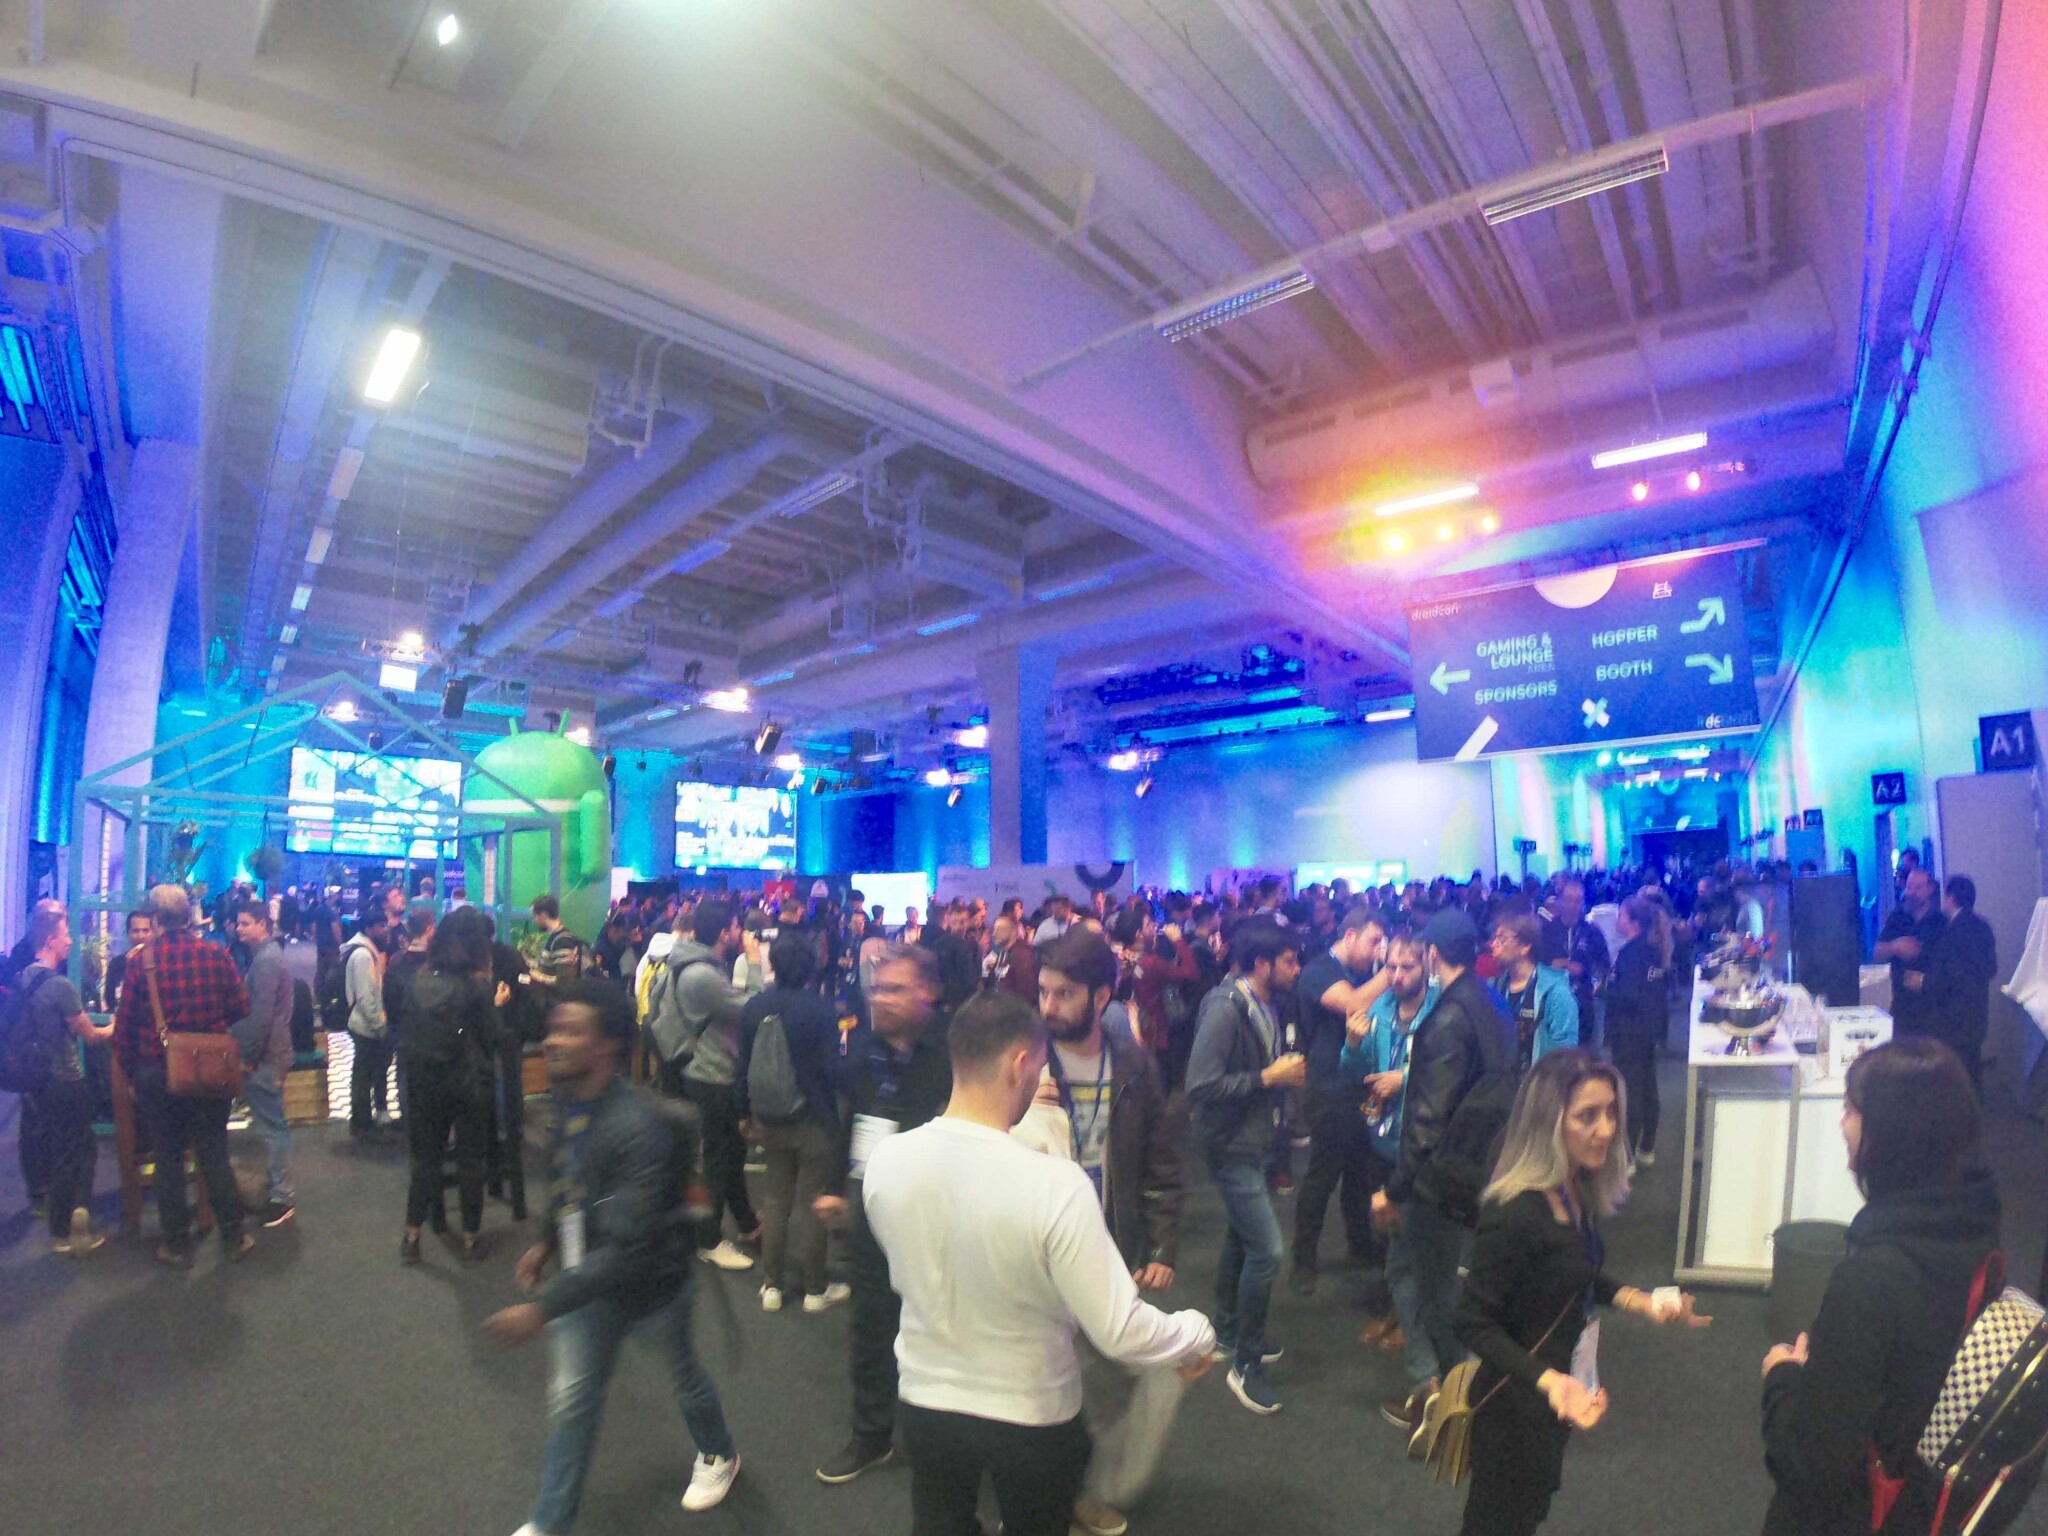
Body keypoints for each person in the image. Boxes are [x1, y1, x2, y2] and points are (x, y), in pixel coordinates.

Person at [862, 990, 1215, 1536]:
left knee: (939, 1524)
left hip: (925, 1402)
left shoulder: (886, 1161)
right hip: (1030, 1412)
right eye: (1040, 1067)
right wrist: (1196, 1333)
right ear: (1021, 1063)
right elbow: (1119, 1331)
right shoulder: (1057, 1185)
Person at [487, 979, 741, 1530]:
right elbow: (571, 1180)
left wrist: (541, 1308)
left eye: (570, 1031)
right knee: (572, 1403)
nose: (552, 1040)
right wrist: (547, 1241)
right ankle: (549, 1523)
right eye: (554, 1029)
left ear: (605, 1046)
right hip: (588, 1285)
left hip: (653, 1287)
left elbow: (627, 1250)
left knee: (684, 1377)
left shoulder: (640, 1129)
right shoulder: (568, 1098)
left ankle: (719, 1451)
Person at [1454, 1049, 1712, 1536]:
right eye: (1587, 1116)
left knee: (1528, 1509)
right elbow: (1471, 1321)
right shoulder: (1514, 1213)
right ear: (1548, 1124)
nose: (1607, 1129)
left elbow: (1573, 1272)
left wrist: (1641, 1300)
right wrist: (1549, 1381)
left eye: (1611, 1112)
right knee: (1497, 1519)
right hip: (1515, 1400)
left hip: (1555, 1392)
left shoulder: (1574, 1188)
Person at [1760, 1039, 2008, 1535]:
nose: (1842, 1124)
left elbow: (1806, 1464)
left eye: (1852, 1110)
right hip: (1921, 1491)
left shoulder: (1873, 1281)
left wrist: (1782, 1377)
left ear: (1892, 1133)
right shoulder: (1976, 1231)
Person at [1025, 928, 1187, 1536]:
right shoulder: (1021, 1061)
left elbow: (1161, 1164)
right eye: (1044, 991)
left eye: (1064, 994)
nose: (1049, 1005)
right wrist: (1024, 1113)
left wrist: (1162, 1245)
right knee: (1037, 1380)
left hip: (1108, 1247)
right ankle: (1044, 1496)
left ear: (1101, 997)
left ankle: (1082, 1490)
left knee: (1107, 1379)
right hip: (1034, 1248)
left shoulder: (1134, 1066)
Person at [814, 944, 953, 1485]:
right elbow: (851, 1120)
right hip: (872, 1212)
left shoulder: (954, 1054)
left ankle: (943, 1442)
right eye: (876, 988)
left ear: (928, 993)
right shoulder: (865, 1051)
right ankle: (871, 1436)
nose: (879, 999)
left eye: (894, 989)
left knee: (941, 1330)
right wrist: (835, 1187)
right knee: (871, 1328)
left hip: (937, 1219)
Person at [1373, 907, 1514, 1435]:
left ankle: (1456, 1402)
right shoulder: (1493, 1003)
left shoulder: (1447, 1018)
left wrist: (1394, 1189)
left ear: (1433, 954)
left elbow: (1428, 1122)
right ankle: (1436, 1389)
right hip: (1481, 1166)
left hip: (1440, 1179)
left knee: (1430, 1288)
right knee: (1425, 1276)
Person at [1186, 918, 1306, 1414]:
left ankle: (1228, 1332)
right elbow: (1200, 1085)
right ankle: (1245, 1365)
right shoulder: (1225, 1008)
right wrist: (1267, 1078)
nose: (1297, 969)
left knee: (1243, 1235)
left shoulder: (1263, 1003)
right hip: (1230, 1144)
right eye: (1289, 961)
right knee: (1268, 1249)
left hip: (1252, 1139)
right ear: (1262, 964)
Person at [113, 884, 254, 1267]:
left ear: (155, 919)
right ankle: (234, 1236)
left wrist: (133, 1073)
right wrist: (207, 1026)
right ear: (189, 915)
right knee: (214, 1151)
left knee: (168, 1156)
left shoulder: (141, 962)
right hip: (209, 1068)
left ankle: (176, 1244)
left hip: (158, 1073)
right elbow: (241, 1007)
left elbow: (124, 1031)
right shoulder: (216, 954)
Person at [736, 932, 848, 1313]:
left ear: (774, 965)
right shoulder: (821, 1010)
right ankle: (815, 1290)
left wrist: (743, 1113)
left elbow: (742, 1066)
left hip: (769, 1119)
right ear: (810, 965)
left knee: (776, 1200)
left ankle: (772, 1285)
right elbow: (832, 1070)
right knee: (814, 1202)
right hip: (812, 1118)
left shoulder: (754, 1007)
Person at [652, 899, 764, 1269]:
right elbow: (751, 1010)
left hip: (704, 1070)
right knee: (719, 1158)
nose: (740, 933)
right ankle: (709, 1240)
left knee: (729, 1155)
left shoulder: (687, 962)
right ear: (723, 933)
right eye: (735, 927)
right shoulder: (703, 974)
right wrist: (754, 963)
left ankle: (747, 1223)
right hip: (712, 1073)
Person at [1341, 929, 1439, 1351]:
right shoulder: (1380, 1008)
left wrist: (1405, 1079)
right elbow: (1356, 1071)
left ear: (1426, 966)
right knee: (1386, 1233)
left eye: (1407, 967)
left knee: (1418, 1238)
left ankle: (1414, 1320)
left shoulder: (1441, 1012)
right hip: (1381, 1139)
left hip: (1420, 1141)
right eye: (1392, 967)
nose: (1397, 976)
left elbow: (1452, 1074)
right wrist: (1352, 1044)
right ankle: (1394, 1310)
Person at [1291, 905, 1392, 1297]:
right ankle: (1303, 1259)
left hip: (1358, 1084)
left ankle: (1360, 1244)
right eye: (1374, 941)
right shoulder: (1320, 970)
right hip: (1328, 1087)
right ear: (1350, 936)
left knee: (1360, 1174)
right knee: (1323, 1176)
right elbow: (1354, 1005)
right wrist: (1391, 971)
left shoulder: (1362, 973)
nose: (1378, 950)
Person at [398, 906, 505, 1265]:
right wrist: (497, 1004)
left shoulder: (418, 981)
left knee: (425, 1159)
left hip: (423, 1081)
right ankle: (471, 1239)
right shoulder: (475, 988)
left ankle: (412, 1236)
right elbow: (492, 1038)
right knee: (470, 1160)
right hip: (466, 1083)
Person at [19, 906, 113, 1255]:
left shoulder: (24, 979)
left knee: (59, 1148)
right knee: (78, 1151)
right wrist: (116, 1025)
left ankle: (65, 1221)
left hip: (38, 1078)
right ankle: (67, 1226)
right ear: (50, 939)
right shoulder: (61, 987)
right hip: (65, 1079)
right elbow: (90, 1035)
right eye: (65, 934)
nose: (71, 941)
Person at [231, 901, 298, 1227]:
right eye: (238, 923)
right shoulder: (266, 957)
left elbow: (261, 1016)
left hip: (267, 1056)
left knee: (273, 1127)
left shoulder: (267, 961)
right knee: (272, 1124)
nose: (239, 929)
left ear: (262, 924)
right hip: (271, 1052)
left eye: (245, 923)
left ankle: (281, 1196)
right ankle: (278, 1190)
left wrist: (248, 1056)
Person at [1604, 895, 1671, 1169]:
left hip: (1628, 1031)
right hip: (1647, 1030)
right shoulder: (1653, 950)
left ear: (1632, 921)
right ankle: (1646, 1146)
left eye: (1621, 915)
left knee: (1629, 1092)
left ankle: (1627, 1155)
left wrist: (1605, 988)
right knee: (1647, 1086)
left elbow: (1627, 994)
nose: (1617, 919)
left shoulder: (1631, 954)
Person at [1930, 875, 1999, 1096]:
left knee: (1957, 1069)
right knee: (1972, 1064)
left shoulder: (1954, 931)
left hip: (1955, 1011)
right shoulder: (1983, 926)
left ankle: (1964, 1110)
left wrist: (1924, 981)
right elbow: (1992, 969)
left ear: (1950, 897)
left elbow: (1949, 974)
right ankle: (1976, 1107)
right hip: (1978, 1007)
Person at [1491, 912, 1579, 1072]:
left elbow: (1565, 1054)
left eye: (1502, 939)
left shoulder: (1555, 991)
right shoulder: (1495, 986)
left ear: (1525, 947)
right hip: (1502, 1082)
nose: (1494, 944)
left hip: (1537, 1083)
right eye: (1494, 938)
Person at [343, 905, 395, 1138]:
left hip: (363, 1023)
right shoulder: (363, 955)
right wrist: (379, 1025)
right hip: (364, 1025)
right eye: (381, 926)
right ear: (369, 928)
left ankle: (362, 1121)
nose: (385, 930)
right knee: (363, 1077)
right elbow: (366, 997)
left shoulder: (367, 952)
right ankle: (362, 1123)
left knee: (363, 1075)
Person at [1537, 879, 1608, 1048]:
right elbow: (1536, 963)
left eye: (1578, 901)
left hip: (1584, 1005)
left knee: (1584, 1055)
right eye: (1568, 900)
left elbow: (1604, 965)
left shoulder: (1591, 932)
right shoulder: (1546, 931)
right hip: (1553, 1004)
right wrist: (1554, 965)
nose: (1573, 906)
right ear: (1559, 901)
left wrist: (1592, 983)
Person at [529, 894, 587, 985]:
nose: (534, 920)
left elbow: (564, 982)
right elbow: (547, 966)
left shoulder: (563, 941)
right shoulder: (554, 937)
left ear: (544, 915)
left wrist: (540, 977)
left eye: (534, 916)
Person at [983, 911, 1039, 1004]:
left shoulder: (1024, 956)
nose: (994, 934)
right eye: (994, 929)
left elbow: (1025, 994)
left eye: (1000, 929)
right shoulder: (1001, 953)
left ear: (1013, 931)